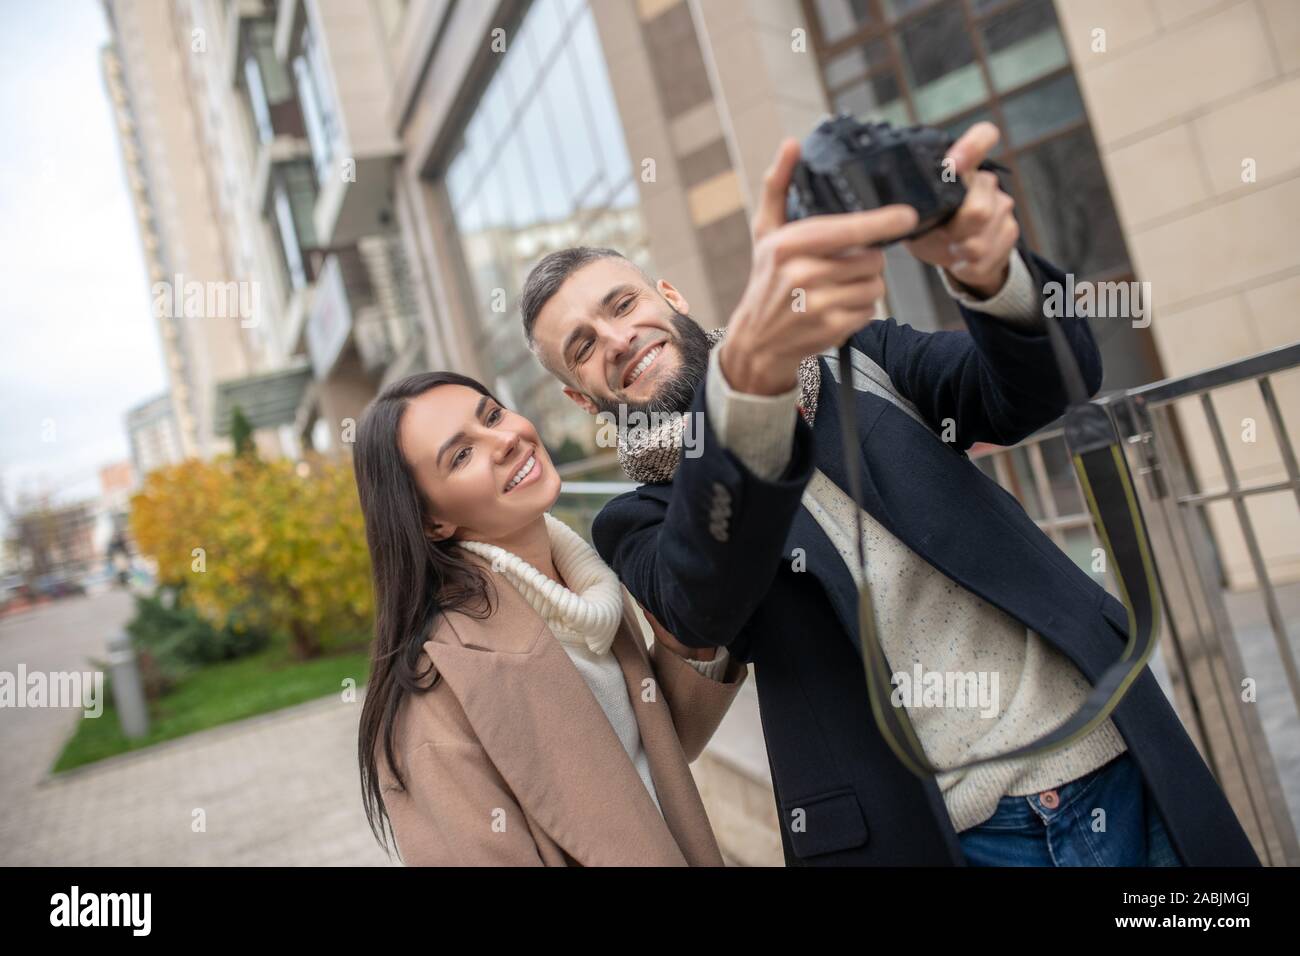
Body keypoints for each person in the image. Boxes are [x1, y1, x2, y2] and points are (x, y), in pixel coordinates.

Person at [518, 122, 1260, 866]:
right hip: (952, 835)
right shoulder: (633, 520)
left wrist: (990, 271)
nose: (614, 340)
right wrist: (750, 383)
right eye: (582, 345)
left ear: (669, 296)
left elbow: (1042, 388)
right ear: (580, 399)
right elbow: (704, 598)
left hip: (1107, 750)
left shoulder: (860, 358)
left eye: (620, 305)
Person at [353, 370, 747, 865]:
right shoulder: (438, 685)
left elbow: (634, 761)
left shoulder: (586, 590)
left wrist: (686, 644)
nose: (504, 441)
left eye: (493, 415)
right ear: (433, 521)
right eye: (462, 455)